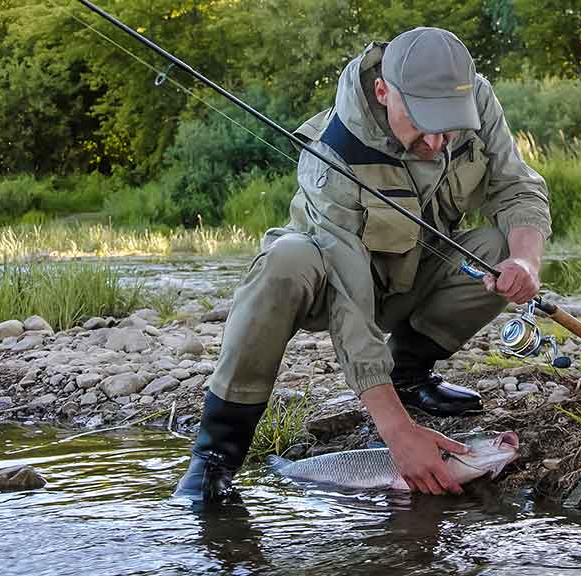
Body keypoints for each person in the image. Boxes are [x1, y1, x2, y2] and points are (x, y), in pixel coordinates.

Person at [175, 27, 551, 503]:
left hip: (416, 273)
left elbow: (517, 189)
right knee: (284, 261)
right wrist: (398, 433)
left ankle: (409, 377)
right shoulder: (334, 150)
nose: (436, 142)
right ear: (382, 91)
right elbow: (349, 298)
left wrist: (525, 260)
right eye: (422, 122)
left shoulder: (476, 97)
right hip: (330, 287)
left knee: (500, 245)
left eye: (448, 126)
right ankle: (215, 456)